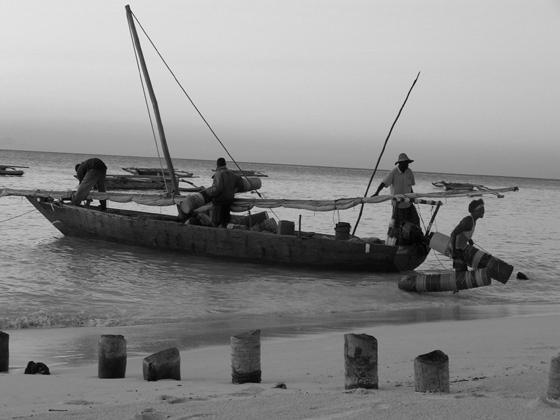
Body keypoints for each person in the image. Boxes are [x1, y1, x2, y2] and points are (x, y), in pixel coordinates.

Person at [372, 153, 420, 238]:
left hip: (408, 203)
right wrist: (377, 193)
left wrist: (413, 197)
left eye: (408, 163)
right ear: (400, 163)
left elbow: (410, 187)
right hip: (398, 204)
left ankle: (415, 238)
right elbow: (384, 183)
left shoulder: (409, 172)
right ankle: (395, 240)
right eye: (406, 163)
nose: (407, 165)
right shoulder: (394, 172)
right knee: (398, 225)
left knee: (415, 221)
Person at [201, 157, 242, 227]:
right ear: (225, 164)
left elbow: (217, 189)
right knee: (225, 218)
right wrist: (233, 191)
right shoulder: (232, 173)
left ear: (217, 165)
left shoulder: (218, 174)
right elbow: (240, 183)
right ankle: (225, 228)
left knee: (217, 219)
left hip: (220, 200)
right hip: (229, 200)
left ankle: (216, 227)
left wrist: (208, 193)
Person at [449, 199, 485, 272]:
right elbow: (453, 233)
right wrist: (453, 252)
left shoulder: (473, 221)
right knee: (461, 276)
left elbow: (463, 232)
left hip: (462, 251)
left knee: (463, 274)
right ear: (475, 211)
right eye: (481, 209)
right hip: (457, 252)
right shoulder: (468, 220)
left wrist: (469, 239)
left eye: (483, 209)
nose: (483, 211)